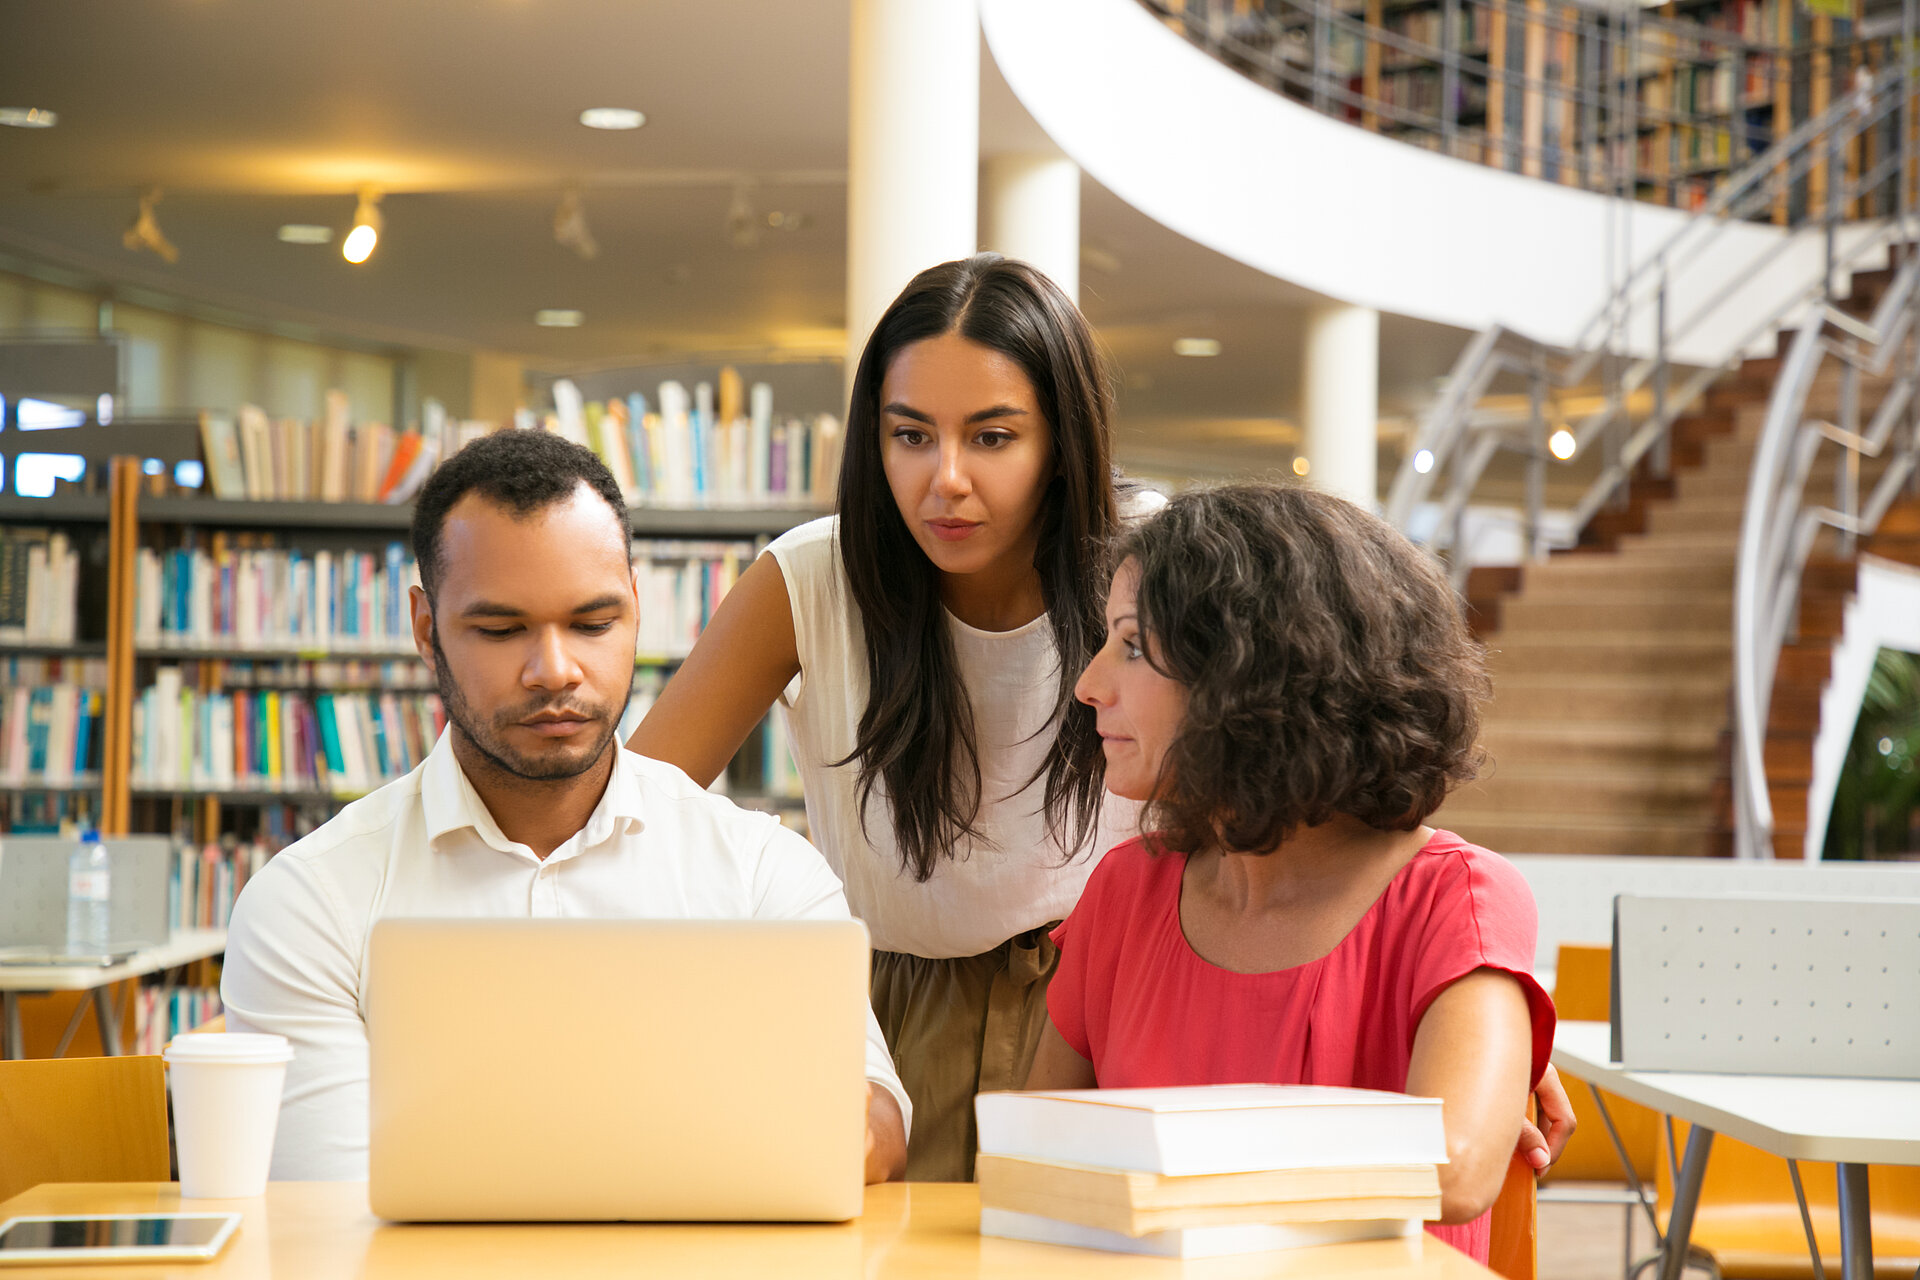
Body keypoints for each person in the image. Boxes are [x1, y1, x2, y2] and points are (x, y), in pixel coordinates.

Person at [221, 429, 909, 1183]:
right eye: (500, 629)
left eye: (591, 624)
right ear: (426, 629)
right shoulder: (309, 902)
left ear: (636, 610)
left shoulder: (760, 871)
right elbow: (336, 1201)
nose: (555, 671)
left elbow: (871, 1126)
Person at [629, 254, 1142, 1180]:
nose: (944, 480)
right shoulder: (809, 580)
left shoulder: (1150, 571)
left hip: (1112, 1004)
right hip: (885, 1021)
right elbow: (635, 811)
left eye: (992, 438)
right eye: (911, 436)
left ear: (1063, 441)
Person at [1028, 482, 1571, 1264]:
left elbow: (1453, 1169)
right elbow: (1036, 1148)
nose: (1089, 683)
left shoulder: (1459, 897)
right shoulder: (1123, 891)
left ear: (1253, 679)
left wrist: (1147, 1161)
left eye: (1133, 646)